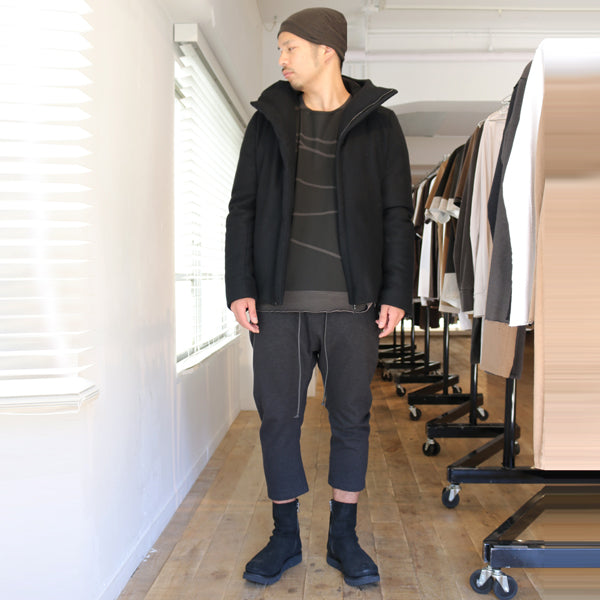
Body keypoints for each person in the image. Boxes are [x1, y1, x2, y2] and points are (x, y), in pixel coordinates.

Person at [225, 6, 414, 588]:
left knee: (351, 419)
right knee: (278, 420)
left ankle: (342, 537)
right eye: (280, 49)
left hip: (353, 308)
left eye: (290, 47)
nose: (281, 59)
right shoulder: (267, 122)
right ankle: (284, 537)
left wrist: (396, 291)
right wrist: (239, 287)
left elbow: (396, 214)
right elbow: (242, 209)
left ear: (326, 50)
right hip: (276, 308)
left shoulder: (379, 126)